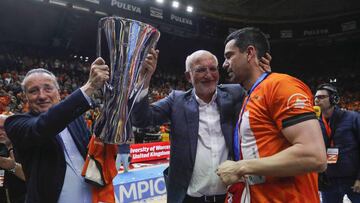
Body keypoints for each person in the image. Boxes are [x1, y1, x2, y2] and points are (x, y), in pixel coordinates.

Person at [131, 49, 270, 203]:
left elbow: (263, 99)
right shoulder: (176, 101)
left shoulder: (235, 93)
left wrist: (263, 78)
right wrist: (145, 79)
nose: (209, 75)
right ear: (188, 76)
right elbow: (141, 120)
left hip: (230, 196)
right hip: (189, 198)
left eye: (213, 69)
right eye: (200, 70)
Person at [217, 27, 327, 203]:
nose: (224, 64)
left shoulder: (281, 85)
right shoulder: (250, 96)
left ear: (250, 53)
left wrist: (241, 167)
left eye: (229, 56)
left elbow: (314, 155)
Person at [4, 58, 109, 203]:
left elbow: (90, 151)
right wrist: (90, 86)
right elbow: (43, 126)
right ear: (25, 97)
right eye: (33, 91)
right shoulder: (16, 124)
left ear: (58, 93)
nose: (41, 96)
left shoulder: (76, 118)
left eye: (48, 88)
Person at [314, 83, 360, 203]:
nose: (316, 100)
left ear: (334, 99)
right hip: (328, 181)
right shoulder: (314, 123)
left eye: (321, 97)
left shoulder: (353, 118)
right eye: (315, 97)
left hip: (353, 180)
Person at [0, 114, 26, 203]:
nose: (0, 132)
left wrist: (13, 167)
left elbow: (34, 178)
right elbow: (0, 181)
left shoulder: (26, 148)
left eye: (3, 128)